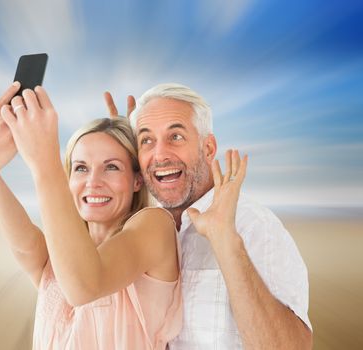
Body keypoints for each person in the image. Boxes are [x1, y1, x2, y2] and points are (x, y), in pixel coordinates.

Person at [0, 82, 199, 349]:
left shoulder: (154, 226)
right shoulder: (54, 260)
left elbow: (85, 285)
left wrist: (44, 161)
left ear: (137, 180)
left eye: (111, 167)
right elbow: (18, 235)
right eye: (80, 168)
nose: (93, 182)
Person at [105, 84, 313, 349]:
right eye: (146, 140)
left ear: (208, 148)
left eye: (176, 137)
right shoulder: (142, 227)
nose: (159, 154)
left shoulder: (254, 226)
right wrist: (116, 165)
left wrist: (226, 241)